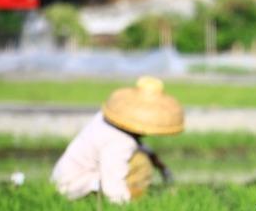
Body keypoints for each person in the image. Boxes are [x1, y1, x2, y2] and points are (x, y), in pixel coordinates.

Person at [51, 76, 183, 203]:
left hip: (64, 178)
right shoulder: (120, 142)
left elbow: (138, 146)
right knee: (141, 162)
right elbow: (112, 181)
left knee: (142, 156)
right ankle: (131, 201)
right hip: (71, 187)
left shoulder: (108, 121)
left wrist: (159, 164)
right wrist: (123, 207)